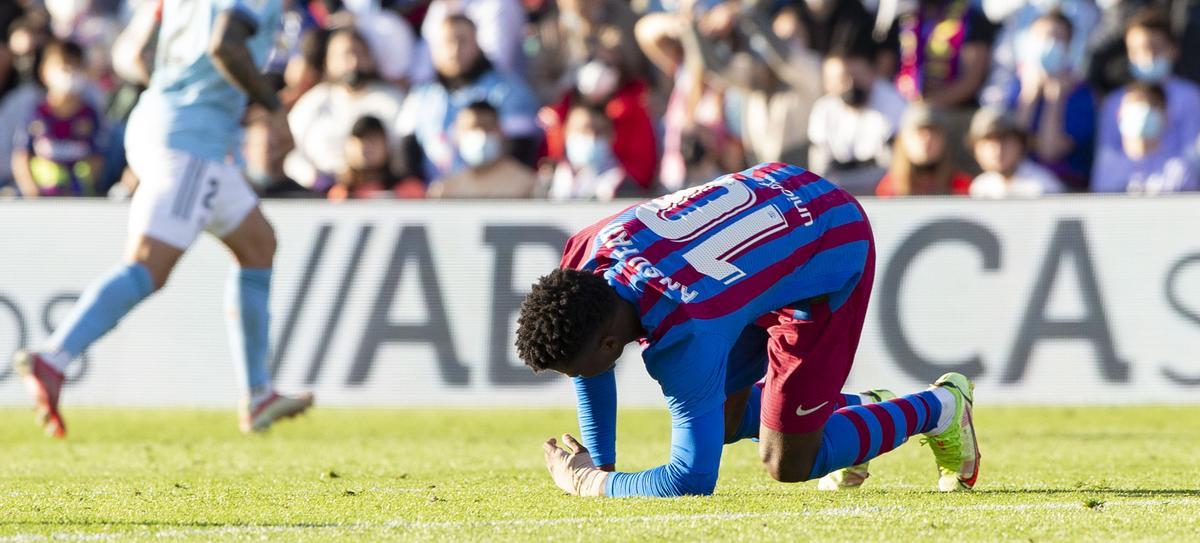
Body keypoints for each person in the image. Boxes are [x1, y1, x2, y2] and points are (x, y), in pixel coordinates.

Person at [516, 162, 981, 497]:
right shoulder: (582, 258)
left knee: (787, 462)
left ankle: (940, 407)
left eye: (576, 371)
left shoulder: (684, 337)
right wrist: (605, 464)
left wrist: (589, 481)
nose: (579, 380)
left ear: (610, 343)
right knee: (723, 422)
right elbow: (593, 362)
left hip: (827, 241)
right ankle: (857, 415)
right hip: (771, 198)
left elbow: (690, 480)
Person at [12, 0, 313, 438]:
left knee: (258, 244)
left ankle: (259, 393)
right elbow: (225, 46)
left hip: (161, 122)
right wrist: (270, 104)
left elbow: (134, 55)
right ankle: (54, 358)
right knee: (148, 265)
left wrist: (184, 94)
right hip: (191, 142)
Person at [398, 15, 540, 183]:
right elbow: (406, 156)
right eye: (447, 43)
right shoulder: (420, 97)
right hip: (436, 199)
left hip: (494, 196)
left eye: (462, 41)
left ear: (477, 44)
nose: (455, 50)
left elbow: (521, 150)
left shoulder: (508, 91)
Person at [283, 27, 406, 192]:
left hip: (381, 194)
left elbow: (402, 156)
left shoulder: (392, 100)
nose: (353, 62)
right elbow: (289, 154)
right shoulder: (314, 101)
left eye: (359, 53)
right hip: (318, 197)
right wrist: (317, 180)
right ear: (328, 62)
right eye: (345, 55)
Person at [1006, 11, 1096, 190]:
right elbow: (1013, 152)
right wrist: (1029, 97)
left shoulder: (1082, 94)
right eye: (1042, 37)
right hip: (1019, 182)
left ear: (1069, 47)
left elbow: (1050, 151)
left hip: (1065, 185)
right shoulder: (1015, 84)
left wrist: (1055, 100)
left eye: (1057, 38)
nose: (1049, 43)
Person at [1096, 9, 1200, 162]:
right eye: (1136, 50)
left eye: (1154, 48)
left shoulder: (1190, 97)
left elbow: (1193, 155)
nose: (1147, 56)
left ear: (1174, 50)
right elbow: (1106, 160)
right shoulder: (1114, 101)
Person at [11, 39, 106, 197]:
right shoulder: (35, 113)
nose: (69, 73)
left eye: (75, 67)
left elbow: (98, 157)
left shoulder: (90, 114)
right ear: (44, 72)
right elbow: (21, 156)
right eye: (63, 67)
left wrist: (79, 188)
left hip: (78, 198)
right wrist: (32, 194)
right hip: (40, 198)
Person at [807, 48, 907, 195]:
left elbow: (892, 162)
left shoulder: (893, 101)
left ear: (872, 74)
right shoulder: (823, 109)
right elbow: (819, 165)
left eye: (858, 76)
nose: (851, 84)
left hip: (881, 183)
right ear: (828, 83)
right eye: (842, 78)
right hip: (836, 183)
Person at [1092, 83, 1198, 193]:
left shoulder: (1179, 171)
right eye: (1134, 107)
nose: (1141, 115)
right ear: (1119, 115)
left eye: (1151, 108)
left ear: (1165, 116)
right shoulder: (1108, 167)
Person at [428, 102, 538, 198]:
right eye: (471, 127)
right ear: (456, 135)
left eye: (488, 127)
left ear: (501, 132)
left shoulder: (527, 185)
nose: (481, 133)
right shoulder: (445, 190)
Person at [876, 105, 972, 197]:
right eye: (919, 132)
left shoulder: (961, 185)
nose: (926, 140)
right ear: (902, 140)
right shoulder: (890, 187)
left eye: (933, 132)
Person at [968, 107, 1063, 198]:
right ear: (975, 148)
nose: (998, 150)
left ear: (1021, 145)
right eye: (988, 142)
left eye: (1005, 141)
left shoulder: (1044, 186)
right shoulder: (980, 186)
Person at [545, 104, 634, 201]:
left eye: (599, 131)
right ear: (566, 132)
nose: (592, 137)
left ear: (612, 136)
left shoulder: (624, 186)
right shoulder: (547, 179)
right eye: (583, 130)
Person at [328, 115, 425, 201]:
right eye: (359, 141)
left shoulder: (409, 190)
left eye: (372, 140)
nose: (365, 147)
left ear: (386, 145)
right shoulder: (340, 195)